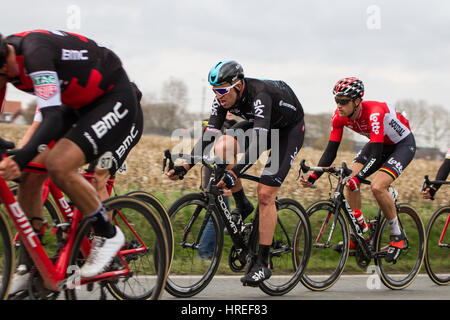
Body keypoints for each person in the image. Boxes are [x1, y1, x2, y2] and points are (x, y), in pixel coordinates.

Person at [0, 30, 143, 295]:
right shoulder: (5, 64)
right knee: (32, 175)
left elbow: (51, 117)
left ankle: (107, 233)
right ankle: (29, 264)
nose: (5, 82)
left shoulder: (35, 53)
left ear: (5, 56)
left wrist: (20, 156)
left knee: (58, 165)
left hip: (113, 97)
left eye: (3, 76)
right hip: (77, 104)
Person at [166, 60, 306, 285]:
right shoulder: (222, 100)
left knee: (265, 193)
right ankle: (242, 205)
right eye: (215, 91)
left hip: (287, 131)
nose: (219, 96)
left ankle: (262, 262)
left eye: (222, 90)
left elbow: (259, 142)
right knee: (222, 147)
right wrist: (185, 164)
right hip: (263, 126)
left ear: (238, 85)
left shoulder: (260, 94)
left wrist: (236, 173)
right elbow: (209, 136)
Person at [300, 77, 416, 263]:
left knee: (377, 187)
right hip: (378, 144)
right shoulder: (339, 117)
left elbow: (377, 155)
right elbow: (330, 151)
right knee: (349, 181)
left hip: (401, 145)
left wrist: (360, 176)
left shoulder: (375, 113)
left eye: (344, 101)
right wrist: (314, 175)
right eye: (337, 100)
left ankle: (397, 235)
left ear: (357, 101)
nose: (339, 105)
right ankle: (360, 234)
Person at [198, 112, 235, 259]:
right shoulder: (217, 126)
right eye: (228, 110)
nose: (231, 112)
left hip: (220, 177)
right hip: (217, 179)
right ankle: (205, 252)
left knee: (218, 216)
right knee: (218, 217)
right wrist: (226, 185)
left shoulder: (232, 126)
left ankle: (209, 252)